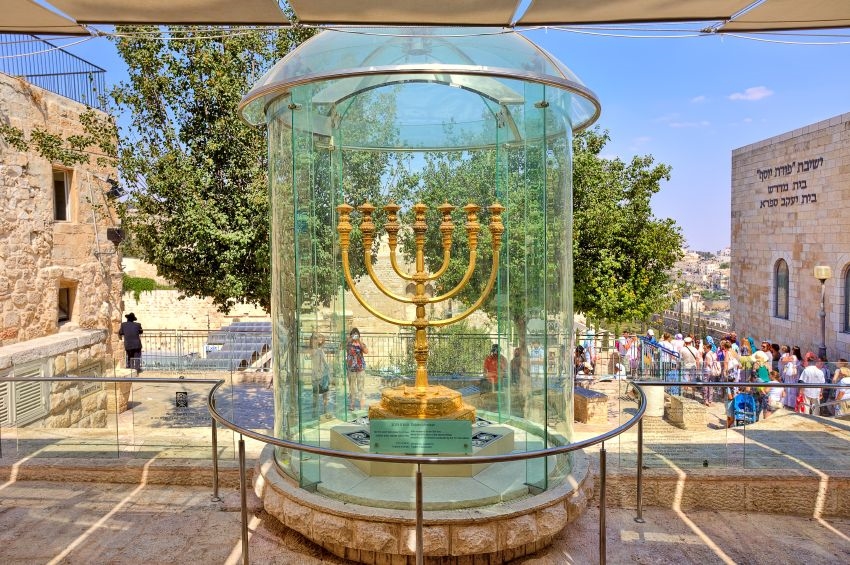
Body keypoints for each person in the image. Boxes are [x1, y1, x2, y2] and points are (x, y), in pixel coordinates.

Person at [345, 327, 368, 411]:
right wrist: (350, 339)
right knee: (352, 387)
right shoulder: (348, 344)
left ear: (359, 335)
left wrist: (359, 342)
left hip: (360, 368)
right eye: (353, 334)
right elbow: (342, 346)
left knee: (361, 387)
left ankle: (362, 406)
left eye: (356, 335)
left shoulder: (361, 344)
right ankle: (352, 405)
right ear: (351, 335)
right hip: (351, 369)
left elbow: (366, 351)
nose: (354, 336)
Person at [310, 333, 330, 418]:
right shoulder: (312, 350)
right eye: (314, 338)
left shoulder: (320, 350)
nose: (316, 340)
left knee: (325, 394)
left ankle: (325, 411)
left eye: (316, 338)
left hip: (323, 375)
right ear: (311, 340)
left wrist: (321, 335)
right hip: (315, 376)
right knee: (315, 395)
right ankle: (314, 412)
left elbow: (326, 364)